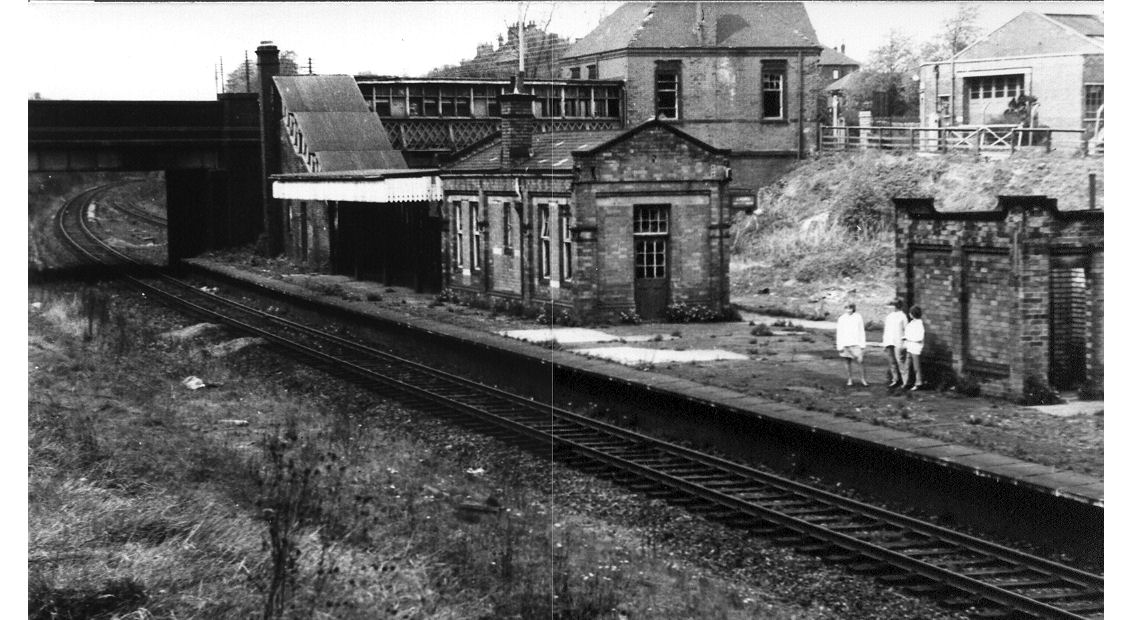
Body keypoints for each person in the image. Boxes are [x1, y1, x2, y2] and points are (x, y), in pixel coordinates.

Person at [835, 302, 867, 386]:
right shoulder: (841, 318)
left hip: (856, 343)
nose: (849, 310)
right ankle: (849, 379)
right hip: (845, 343)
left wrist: (862, 344)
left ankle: (863, 379)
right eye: (847, 308)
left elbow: (861, 331)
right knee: (847, 362)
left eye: (850, 308)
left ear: (853, 308)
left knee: (860, 361)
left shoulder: (858, 317)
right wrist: (840, 345)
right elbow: (839, 333)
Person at [881, 299, 909, 387]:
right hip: (889, 341)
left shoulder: (903, 316)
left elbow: (906, 330)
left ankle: (905, 381)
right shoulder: (889, 316)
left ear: (897, 306)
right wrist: (884, 342)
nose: (891, 307)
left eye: (893, 305)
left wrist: (905, 342)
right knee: (892, 361)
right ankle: (895, 379)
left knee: (900, 361)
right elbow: (887, 330)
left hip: (898, 341)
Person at [903, 305, 925, 390]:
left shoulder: (919, 324)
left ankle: (918, 383)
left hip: (915, 348)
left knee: (916, 367)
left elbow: (919, 338)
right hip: (910, 347)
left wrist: (909, 338)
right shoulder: (912, 323)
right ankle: (907, 382)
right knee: (907, 365)